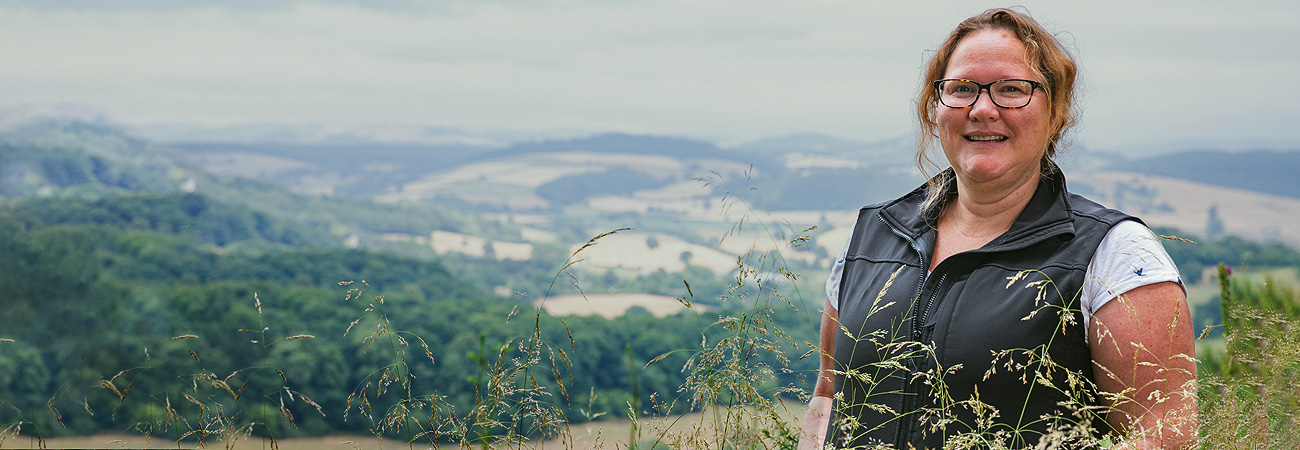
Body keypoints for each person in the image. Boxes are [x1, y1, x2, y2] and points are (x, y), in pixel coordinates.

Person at [798, 8, 1196, 450]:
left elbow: (1164, 434)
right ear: (936, 107)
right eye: (963, 89)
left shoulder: (1114, 254)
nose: (982, 109)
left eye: (1012, 90)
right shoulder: (871, 237)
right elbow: (829, 398)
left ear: (1055, 111)